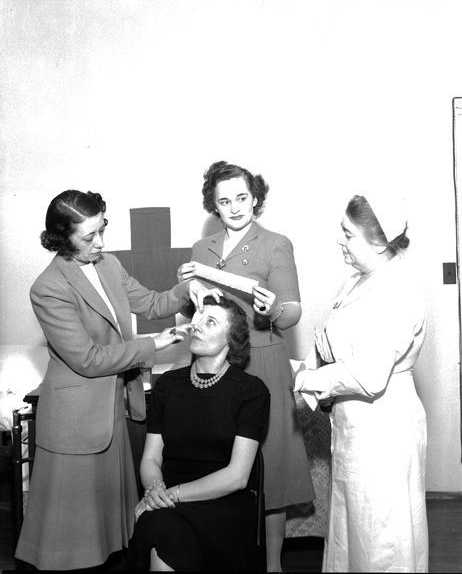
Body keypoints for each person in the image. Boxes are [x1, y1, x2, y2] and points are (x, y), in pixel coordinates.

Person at [15, 190, 220, 571]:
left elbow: (153, 303)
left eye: (102, 230)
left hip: (110, 409)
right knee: (69, 544)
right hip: (75, 417)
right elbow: (88, 359)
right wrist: (152, 345)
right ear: (62, 238)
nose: (101, 243)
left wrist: (187, 290)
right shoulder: (48, 287)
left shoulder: (107, 266)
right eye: (88, 237)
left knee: (109, 541)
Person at [178, 161, 314, 571]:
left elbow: (292, 313)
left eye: (242, 197)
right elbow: (192, 305)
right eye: (224, 201)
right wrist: (190, 286)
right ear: (213, 206)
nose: (235, 207)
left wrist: (275, 308)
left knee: (268, 466)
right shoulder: (201, 250)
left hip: (263, 360)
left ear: (255, 198)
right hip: (214, 363)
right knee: (219, 460)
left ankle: (272, 565)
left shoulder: (276, 244)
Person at [295, 193, 428, 572]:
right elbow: (328, 342)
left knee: (381, 539)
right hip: (353, 427)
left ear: (379, 241)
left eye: (349, 234)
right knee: (350, 535)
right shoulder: (356, 282)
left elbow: (367, 374)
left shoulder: (398, 290)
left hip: (383, 429)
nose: (341, 240)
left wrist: (309, 380)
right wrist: (305, 369)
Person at [131, 295, 270, 571]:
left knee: (160, 527)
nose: (197, 325)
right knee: (161, 527)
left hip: (225, 502)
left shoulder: (251, 391)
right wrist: (155, 490)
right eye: (197, 318)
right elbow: (151, 459)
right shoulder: (167, 385)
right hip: (168, 498)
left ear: (231, 338)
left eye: (211, 321)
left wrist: (172, 496)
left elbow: (238, 476)